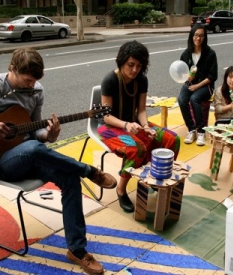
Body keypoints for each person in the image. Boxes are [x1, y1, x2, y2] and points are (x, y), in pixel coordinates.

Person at [0, 48, 117, 275]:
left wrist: (50, 135)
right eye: (27, 80)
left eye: (35, 81)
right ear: (11, 69)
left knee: (68, 177)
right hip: (4, 164)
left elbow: (35, 132)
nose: (32, 86)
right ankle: (89, 171)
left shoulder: (37, 90)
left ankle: (77, 250)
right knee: (34, 149)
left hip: (29, 153)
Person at [97, 40, 180, 213]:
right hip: (110, 126)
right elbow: (106, 117)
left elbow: (141, 110)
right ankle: (121, 189)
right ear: (122, 61)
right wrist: (126, 125)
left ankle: (154, 178)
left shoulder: (141, 79)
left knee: (172, 139)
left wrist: (146, 126)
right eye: (131, 65)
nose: (135, 70)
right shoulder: (110, 80)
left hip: (134, 123)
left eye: (139, 66)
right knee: (137, 149)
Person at [178, 24, 218, 146]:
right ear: (191, 36)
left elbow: (212, 76)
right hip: (191, 83)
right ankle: (191, 129)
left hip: (206, 86)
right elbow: (181, 72)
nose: (198, 38)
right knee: (181, 99)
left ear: (205, 37)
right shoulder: (186, 54)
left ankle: (201, 131)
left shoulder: (210, 53)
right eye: (196, 35)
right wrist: (187, 77)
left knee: (194, 98)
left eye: (201, 35)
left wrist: (198, 85)